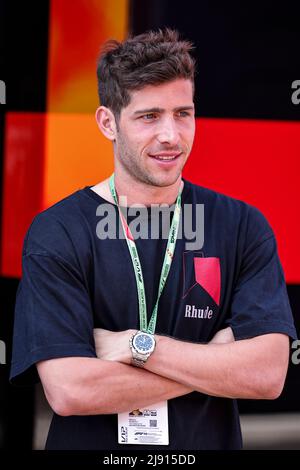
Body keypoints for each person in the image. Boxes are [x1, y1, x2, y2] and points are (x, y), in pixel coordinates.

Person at [10, 29, 296, 450]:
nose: (171, 135)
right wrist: (214, 365)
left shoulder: (241, 226)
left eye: (183, 113)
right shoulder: (60, 231)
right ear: (108, 122)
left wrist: (135, 346)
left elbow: (267, 376)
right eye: (149, 116)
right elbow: (71, 391)